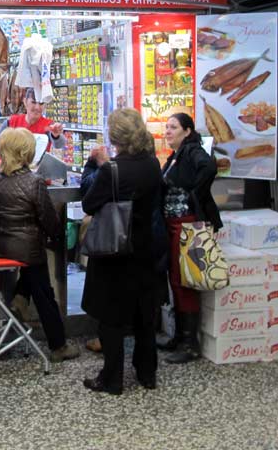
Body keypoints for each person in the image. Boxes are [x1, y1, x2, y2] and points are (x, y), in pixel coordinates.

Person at [80, 108, 162, 395]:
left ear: (115, 137)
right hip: (144, 248)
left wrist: (95, 166)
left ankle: (112, 378)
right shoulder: (153, 164)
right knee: (144, 315)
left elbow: (89, 204)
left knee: (111, 318)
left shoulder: (111, 170)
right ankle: (147, 372)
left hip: (114, 252)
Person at [0, 128, 79, 363]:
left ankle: (20, 296)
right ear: (28, 152)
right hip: (25, 249)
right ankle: (58, 345)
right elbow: (50, 222)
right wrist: (56, 236)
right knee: (44, 291)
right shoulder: (33, 182)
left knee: (31, 255)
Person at [160, 112, 221, 364]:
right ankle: (179, 335)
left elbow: (209, 167)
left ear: (187, 131)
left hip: (187, 225)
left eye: (173, 127)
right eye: (166, 127)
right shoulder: (176, 155)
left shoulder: (192, 150)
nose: (167, 131)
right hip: (175, 224)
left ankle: (190, 342)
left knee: (184, 280)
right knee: (176, 279)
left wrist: (195, 192)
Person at [0, 88, 65, 167]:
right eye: (33, 102)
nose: (37, 107)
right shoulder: (11, 121)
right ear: (25, 102)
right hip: (11, 171)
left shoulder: (49, 125)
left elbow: (59, 145)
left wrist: (56, 136)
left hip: (37, 174)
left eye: (41, 103)